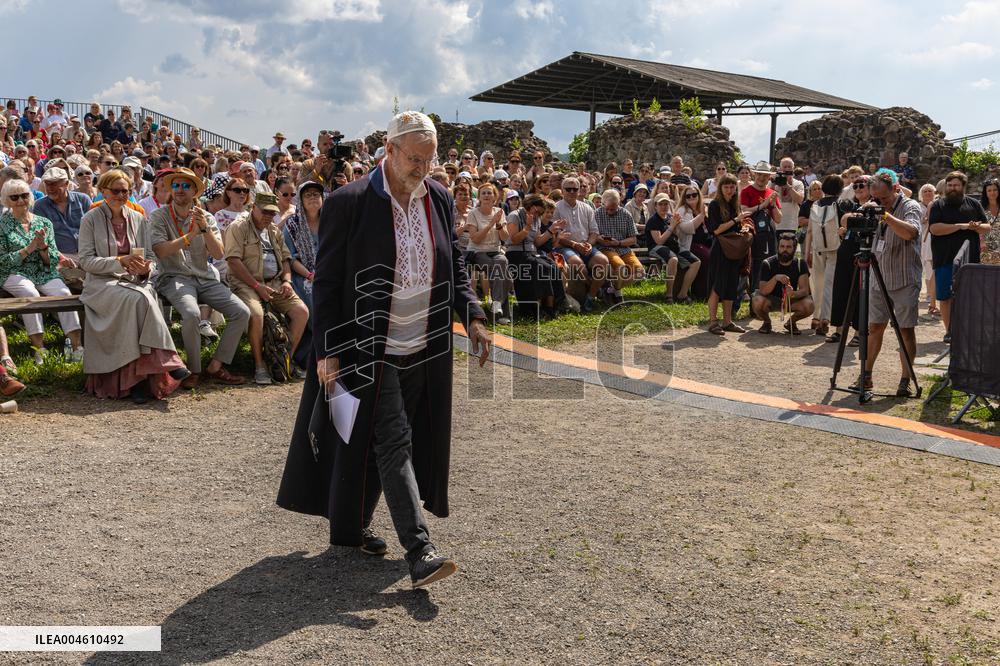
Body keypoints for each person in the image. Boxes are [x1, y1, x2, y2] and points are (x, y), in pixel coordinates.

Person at [277, 111, 491, 589]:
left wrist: (473, 313)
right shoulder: (348, 202)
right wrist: (328, 349)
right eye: (414, 158)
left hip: (426, 343)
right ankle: (421, 550)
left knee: (392, 437)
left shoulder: (437, 196)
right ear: (390, 151)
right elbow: (328, 281)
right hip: (369, 345)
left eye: (429, 159)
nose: (422, 167)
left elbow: (453, 263)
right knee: (392, 438)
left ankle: (350, 527)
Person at [77, 169, 189, 403]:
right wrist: (119, 261)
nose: (121, 196)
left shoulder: (138, 218)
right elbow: (86, 261)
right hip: (101, 284)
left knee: (143, 296)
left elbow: (150, 256)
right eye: (116, 191)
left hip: (134, 281)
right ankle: (166, 361)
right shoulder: (90, 219)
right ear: (103, 191)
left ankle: (137, 381)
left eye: (125, 191)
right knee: (141, 300)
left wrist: (146, 269)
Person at [150, 167, 250, 387]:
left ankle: (216, 365)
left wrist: (204, 230)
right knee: (191, 313)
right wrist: (191, 235)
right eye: (176, 185)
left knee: (242, 312)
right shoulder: (159, 216)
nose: (179, 190)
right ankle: (194, 370)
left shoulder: (205, 217)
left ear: (195, 190)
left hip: (203, 277)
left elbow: (218, 253)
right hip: (173, 276)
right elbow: (161, 251)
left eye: (186, 185)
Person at [225, 192, 310, 384]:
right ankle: (259, 365)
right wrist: (256, 285)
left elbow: (286, 260)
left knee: (301, 311)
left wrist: (287, 281)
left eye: (272, 213)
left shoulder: (274, 230)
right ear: (253, 207)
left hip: (275, 283)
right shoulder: (238, 227)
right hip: (246, 283)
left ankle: (283, 361)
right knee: (256, 314)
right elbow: (233, 261)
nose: (268, 216)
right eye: (264, 212)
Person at [853, 170, 924, 396]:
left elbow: (911, 233)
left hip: (903, 277)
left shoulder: (911, 206)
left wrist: (886, 215)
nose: (879, 202)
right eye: (875, 198)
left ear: (895, 189)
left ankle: (906, 379)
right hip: (878, 275)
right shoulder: (874, 205)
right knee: (874, 327)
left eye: (883, 198)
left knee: (905, 330)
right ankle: (866, 375)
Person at [0, 178, 83, 362]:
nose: (21, 200)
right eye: (15, 197)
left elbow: (52, 260)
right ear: (7, 200)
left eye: (24, 195)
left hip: (42, 270)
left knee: (62, 292)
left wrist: (44, 248)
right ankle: (39, 348)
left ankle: (77, 346)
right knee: (30, 293)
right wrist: (29, 249)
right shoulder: (2, 225)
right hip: (14, 272)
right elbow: (3, 261)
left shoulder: (43, 222)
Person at [928, 171, 990, 342]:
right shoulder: (938, 205)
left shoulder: (974, 204)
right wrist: (960, 226)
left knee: (970, 297)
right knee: (945, 297)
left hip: (970, 261)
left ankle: (967, 331)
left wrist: (976, 227)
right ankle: (949, 331)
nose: (952, 188)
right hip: (945, 259)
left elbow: (987, 226)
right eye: (949, 185)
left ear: (963, 186)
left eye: (955, 185)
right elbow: (934, 228)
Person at [553, 176, 610, 313]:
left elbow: (594, 231)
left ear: (579, 190)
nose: (572, 192)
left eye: (575, 189)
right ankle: (595, 290)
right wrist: (574, 244)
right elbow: (556, 235)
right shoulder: (556, 208)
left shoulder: (587, 208)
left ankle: (590, 297)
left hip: (585, 245)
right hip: (564, 246)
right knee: (578, 265)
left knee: (603, 262)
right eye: (568, 189)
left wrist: (589, 244)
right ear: (562, 190)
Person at [504, 193, 565, 318]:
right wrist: (527, 226)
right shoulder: (514, 216)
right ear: (531, 205)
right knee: (539, 267)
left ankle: (551, 307)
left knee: (552, 266)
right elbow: (514, 239)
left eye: (540, 213)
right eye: (538, 211)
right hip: (516, 253)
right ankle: (534, 309)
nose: (538, 215)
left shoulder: (536, 219)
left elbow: (537, 242)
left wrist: (550, 230)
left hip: (532, 253)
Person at [706, 175, 750, 334]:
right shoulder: (715, 204)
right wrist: (736, 220)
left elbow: (735, 226)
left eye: (732, 187)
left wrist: (743, 227)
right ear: (720, 187)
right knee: (717, 285)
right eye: (726, 187)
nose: (729, 190)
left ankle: (727, 321)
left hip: (734, 249)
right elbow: (716, 230)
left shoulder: (734, 204)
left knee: (731, 285)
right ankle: (712, 322)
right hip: (720, 249)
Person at [803, 175, 844, 337]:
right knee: (829, 284)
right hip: (835, 249)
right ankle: (825, 318)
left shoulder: (816, 204)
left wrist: (807, 252)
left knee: (817, 284)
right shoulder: (840, 204)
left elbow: (810, 230)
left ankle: (816, 317)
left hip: (817, 248)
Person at [464, 183, 512, 324]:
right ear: (479, 197)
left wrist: (498, 225)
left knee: (501, 262)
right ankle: (502, 311)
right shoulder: (473, 213)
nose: (486, 195)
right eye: (483, 193)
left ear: (495, 197)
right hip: (477, 252)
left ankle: (496, 304)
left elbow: (504, 238)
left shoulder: (499, 212)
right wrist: (491, 223)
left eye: (489, 193)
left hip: (495, 251)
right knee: (504, 275)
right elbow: (475, 239)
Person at [751, 234, 814, 334]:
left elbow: (805, 290)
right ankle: (767, 322)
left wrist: (793, 293)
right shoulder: (767, 263)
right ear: (778, 247)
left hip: (790, 300)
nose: (785, 250)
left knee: (809, 304)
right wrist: (775, 278)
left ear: (794, 248)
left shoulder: (800, 264)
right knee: (757, 300)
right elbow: (763, 290)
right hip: (770, 299)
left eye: (788, 247)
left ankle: (791, 323)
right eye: (782, 246)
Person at [740, 161, 782, 307]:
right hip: (752, 235)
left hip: (769, 236)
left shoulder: (771, 193)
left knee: (769, 266)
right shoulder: (746, 191)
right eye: (760, 174)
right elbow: (744, 211)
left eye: (765, 175)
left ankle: (765, 302)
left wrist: (772, 206)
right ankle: (752, 302)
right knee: (753, 267)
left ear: (769, 177)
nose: (762, 178)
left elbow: (778, 218)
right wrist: (762, 206)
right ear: (754, 174)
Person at [595, 188, 644, 303]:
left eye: (614, 209)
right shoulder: (597, 213)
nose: (610, 211)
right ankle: (617, 293)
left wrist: (619, 243)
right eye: (608, 209)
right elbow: (593, 235)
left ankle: (613, 289)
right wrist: (600, 239)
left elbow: (633, 239)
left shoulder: (625, 214)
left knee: (640, 273)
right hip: (605, 248)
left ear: (618, 203)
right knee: (621, 267)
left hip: (623, 248)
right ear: (603, 204)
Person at [283, 181, 323, 310]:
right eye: (307, 195)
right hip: (303, 273)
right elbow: (290, 258)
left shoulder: (330, 220)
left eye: (316, 194)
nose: (312, 197)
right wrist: (310, 275)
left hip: (327, 271)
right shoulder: (292, 224)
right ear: (300, 200)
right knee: (312, 292)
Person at [671, 185, 706, 304]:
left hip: (704, 242)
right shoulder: (682, 210)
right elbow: (687, 228)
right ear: (684, 198)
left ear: (699, 195)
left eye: (694, 195)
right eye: (688, 196)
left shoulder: (702, 208)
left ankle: (713, 292)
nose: (691, 197)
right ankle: (700, 293)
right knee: (707, 257)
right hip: (689, 244)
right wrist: (701, 216)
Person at [644, 193, 681, 301]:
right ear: (655, 206)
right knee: (673, 259)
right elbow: (659, 241)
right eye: (661, 204)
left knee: (694, 261)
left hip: (670, 246)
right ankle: (669, 294)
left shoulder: (669, 217)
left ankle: (682, 292)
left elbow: (676, 235)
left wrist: (676, 225)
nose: (664, 206)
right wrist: (672, 226)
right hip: (655, 247)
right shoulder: (653, 220)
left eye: (666, 204)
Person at [917, 183, 939, 314]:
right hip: (922, 239)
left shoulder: (938, 204)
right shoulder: (917, 206)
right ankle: (929, 295)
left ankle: (932, 295)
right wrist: (925, 219)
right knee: (926, 266)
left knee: (931, 266)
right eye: (924, 191)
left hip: (934, 238)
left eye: (930, 190)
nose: (927, 193)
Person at [981, 178, 1000, 265]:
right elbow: (976, 226)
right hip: (986, 247)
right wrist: (981, 241)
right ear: (985, 192)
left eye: (995, 190)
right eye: (989, 190)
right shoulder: (980, 207)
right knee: (987, 275)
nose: (992, 192)